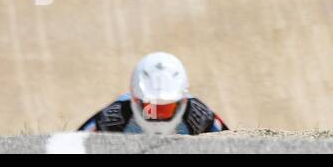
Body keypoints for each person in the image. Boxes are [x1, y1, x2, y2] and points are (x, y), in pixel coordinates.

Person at [78, 52, 227, 134]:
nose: (158, 116)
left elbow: (229, 139)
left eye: (166, 108)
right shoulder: (115, 115)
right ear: (135, 100)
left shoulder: (197, 113)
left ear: (184, 101)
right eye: (151, 109)